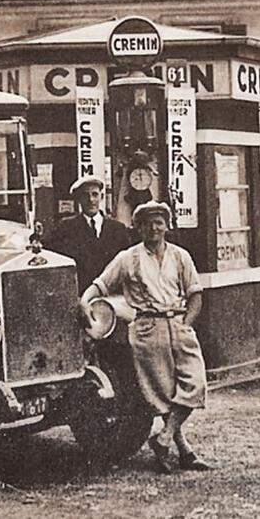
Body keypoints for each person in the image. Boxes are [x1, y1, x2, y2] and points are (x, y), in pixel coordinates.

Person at [79, 200, 213, 474]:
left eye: (159, 222)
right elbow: (100, 284)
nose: (154, 227)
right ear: (138, 228)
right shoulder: (128, 258)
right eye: (148, 223)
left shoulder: (180, 256)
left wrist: (186, 325)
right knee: (164, 394)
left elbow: (195, 295)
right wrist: (85, 301)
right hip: (147, 329)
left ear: (167, 225)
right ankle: (184, 451)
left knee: (195, 383)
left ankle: (163, 439)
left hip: (178, 324)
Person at [47, 175, 133, 290]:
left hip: (112, 294)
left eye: (95, 194)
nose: (91, 200)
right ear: (78, 199)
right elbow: (51, 255)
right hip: (79, 293)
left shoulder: (117, 229)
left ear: (101, 197)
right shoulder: (66, 227)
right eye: (85, 195)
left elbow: (127, 263)